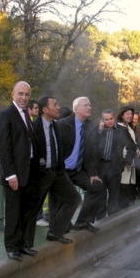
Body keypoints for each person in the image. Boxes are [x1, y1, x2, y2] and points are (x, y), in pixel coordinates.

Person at [0, 81, 39, 261]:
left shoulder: (25, 115)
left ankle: (22, 244)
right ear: (13, 94)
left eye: (27, 94)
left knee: (24, 211)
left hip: (27, 172)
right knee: (13, 213)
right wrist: (10, 174)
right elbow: (4, 147)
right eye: (20, 94)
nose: (24, 98)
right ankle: (11, 246)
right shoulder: (6, 114)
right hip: (14, 175)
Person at [31, 96, 81, 244]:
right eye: (55, 104)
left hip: (57, 172)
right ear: (45, 109)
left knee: (74, 198)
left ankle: (55, 232)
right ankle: (24, 244)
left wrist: (60, 169)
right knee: (32, 209)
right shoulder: (34, 127)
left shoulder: (56, 125)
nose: (58, 107)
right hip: (41, 174)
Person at [56, 96, 104, 233]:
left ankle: (82, 222)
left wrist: (93, 174)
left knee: (97, 186)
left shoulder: (89, 126)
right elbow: (55, 150)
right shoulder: (63, 125)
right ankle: (60, 228)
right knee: (63, 199)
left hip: (77, 170)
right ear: (75, 109)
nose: (89, 107)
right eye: (85, 105)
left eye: (90, 105)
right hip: (62, 170)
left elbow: (90, 152)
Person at [92, 109, 136, 218]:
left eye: (111, 118)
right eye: (106, 119)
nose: (109, 121)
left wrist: (127, 160)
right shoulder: (98, 130)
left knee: (114, 197)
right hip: (100, 168)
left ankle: (112, 222)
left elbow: (132, 146)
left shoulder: (121, 130)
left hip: (115, 167)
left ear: (114, 118)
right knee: (100, 197)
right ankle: (101, 222)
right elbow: (90, 144)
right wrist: (99, 131)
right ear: (103, 120)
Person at [27, 99, 50, 227]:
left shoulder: (33, 122)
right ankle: (37, 216)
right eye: (35, 108)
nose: (37, 110)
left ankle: (40, 215)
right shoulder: (31, 123)